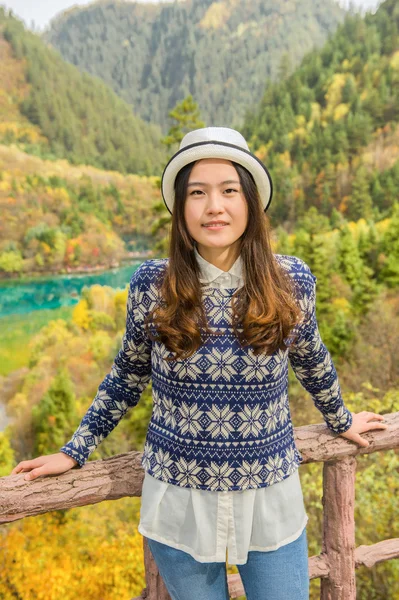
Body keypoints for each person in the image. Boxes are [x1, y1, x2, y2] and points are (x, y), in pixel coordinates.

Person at [11, 127, 388, 600]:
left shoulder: (291, 279)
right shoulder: (152, 284)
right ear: (180, 207)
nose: (215, 206)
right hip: (179, 498)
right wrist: (74, 450)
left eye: (229, 190)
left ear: (250, 202)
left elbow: (311, 359)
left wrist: (342, 418)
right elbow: (127, 376)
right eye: (198, 192)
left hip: (269, 489)